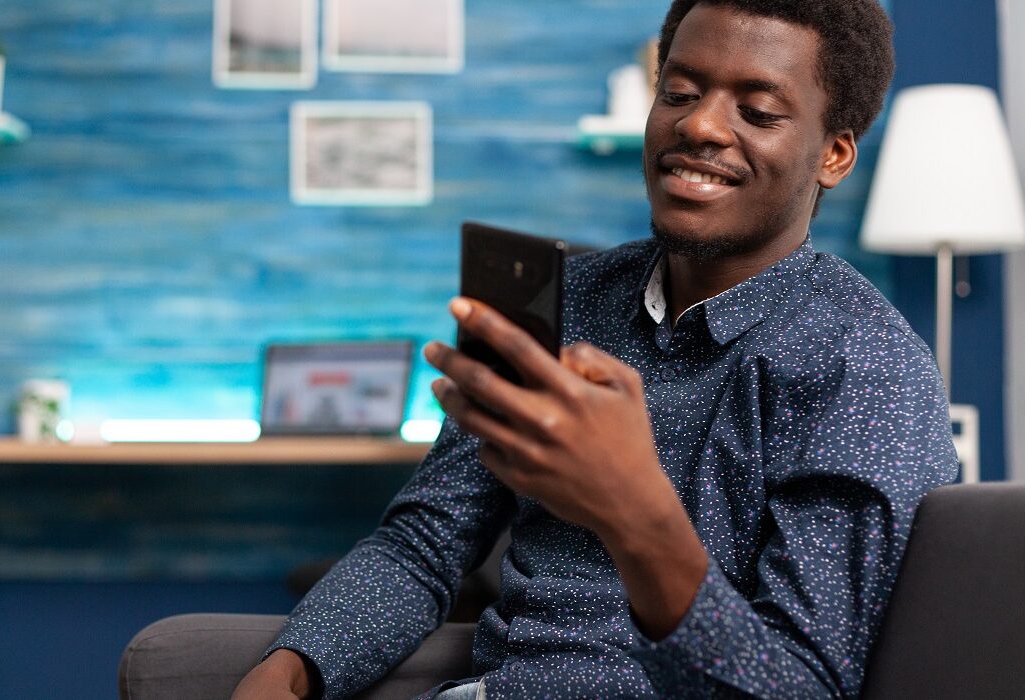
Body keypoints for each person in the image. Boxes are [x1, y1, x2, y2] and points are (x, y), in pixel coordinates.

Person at [234, 0, 958, 697]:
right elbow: (426, 544)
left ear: (833, 156)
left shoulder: (865, 371)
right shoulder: (571, 299)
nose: (700, 124)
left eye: (758, 111)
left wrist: (635, 512)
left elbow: (799, 685)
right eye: (679, 91)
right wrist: (289, 671)